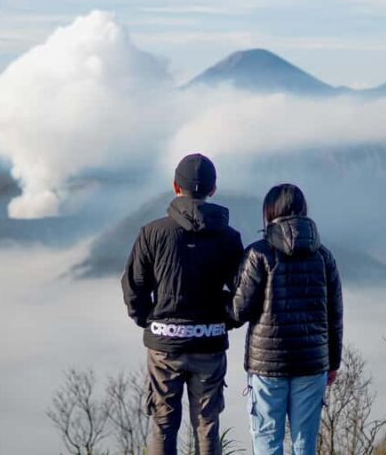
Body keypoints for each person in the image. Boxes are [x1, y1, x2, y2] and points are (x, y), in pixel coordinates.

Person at [121, 153, 244, 455]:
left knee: (163, 423)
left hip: (164, 346)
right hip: (210, 344)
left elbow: (133, 286)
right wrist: (225, 318)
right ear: (213, 190)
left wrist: (149, 319)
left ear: (176, 187)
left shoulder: (152, 233)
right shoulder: (228, 238)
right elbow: (243, 292)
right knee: (207, 424)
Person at [228, 183, 343, 455]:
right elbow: (335, 315)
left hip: (267, 366)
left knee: (267, 441)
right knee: (305, 444)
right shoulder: (324, 257)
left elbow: (238, 310)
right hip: (313, 363)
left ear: (269, 213)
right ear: (304, 211)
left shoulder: (259, 254)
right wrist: (333, 363)